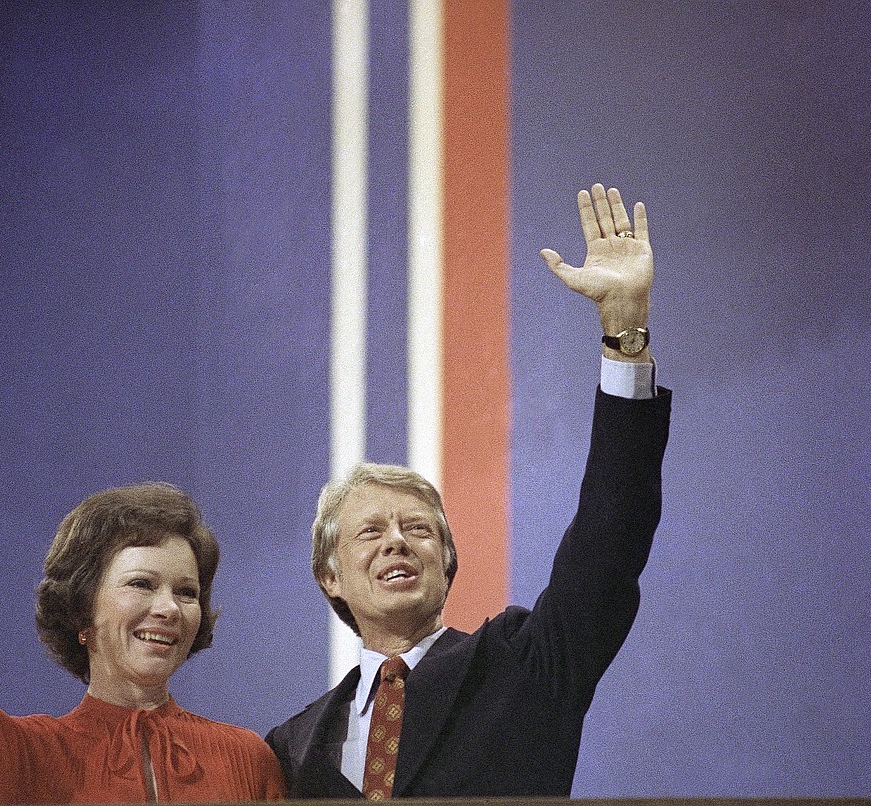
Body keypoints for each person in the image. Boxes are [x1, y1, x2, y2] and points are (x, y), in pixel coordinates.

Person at [265, 183, 672, 798]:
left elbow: (609, 540)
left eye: (420, 529)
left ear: (448, 561)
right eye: (370, 531)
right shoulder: (288, 748)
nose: (397, 542)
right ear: (330, 576)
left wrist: (625, 335)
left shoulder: (525, 667)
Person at [0, 399, 286, 804]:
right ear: (82, 609)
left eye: (187, 592)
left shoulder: (247, 759)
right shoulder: (31, 758)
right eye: (142, 584)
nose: (169, 609)